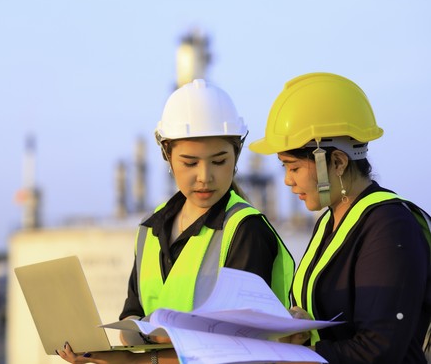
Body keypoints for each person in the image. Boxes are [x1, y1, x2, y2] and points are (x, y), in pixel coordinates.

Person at [58, 79, 295, 364]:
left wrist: (142, 356)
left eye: (219, 161)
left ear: (236, 156)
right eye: (190, 162)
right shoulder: (150, 228)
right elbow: (133, 315)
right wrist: (106, 351)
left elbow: (236, 346)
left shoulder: (246, 229)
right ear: (167, 156)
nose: (205, 176)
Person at [249, 72, 431, 363]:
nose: (287, 181)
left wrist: (297, 357)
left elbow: (380, 348)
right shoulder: (331, 220)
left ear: (336, 162)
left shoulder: (390, 227)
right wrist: (300, 325)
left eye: (293, 167)